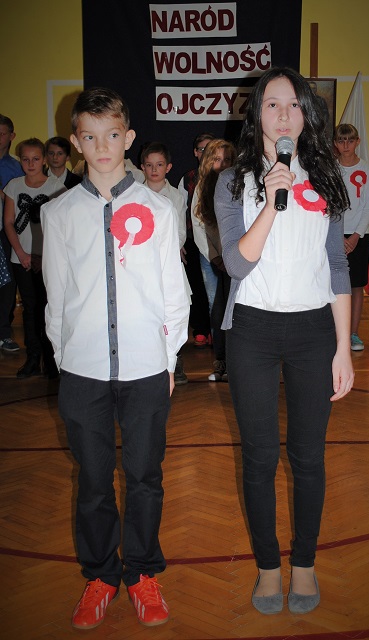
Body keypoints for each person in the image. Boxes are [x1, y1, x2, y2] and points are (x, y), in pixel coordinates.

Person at [41, 87, 189, 630]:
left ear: (127, 138)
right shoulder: (58, 214)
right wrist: (66, 361)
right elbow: (57, 297)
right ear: (76, 142)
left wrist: (169, 359)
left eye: (111, 135)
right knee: (95, 480)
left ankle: (143, 571)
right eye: (90, 136)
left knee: (145, 475)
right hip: (82, 372)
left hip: (147, 367)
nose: (102, 147)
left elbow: (175, 292)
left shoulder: (159, 209)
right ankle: (101, 575)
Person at [214, 66, 355, 615]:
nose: (283, 114)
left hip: (313, 332)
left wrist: (342, 349)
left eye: (294, 104)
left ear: (305, 115)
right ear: (257, 115)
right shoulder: (232, 181)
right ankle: (269, 568)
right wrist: (273, 198)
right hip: (252, 330)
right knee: (258, 458)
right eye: (272, 104)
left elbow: (337, 268)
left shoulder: (325, 180)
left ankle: (305, 565)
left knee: (308, 457)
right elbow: (237, 264)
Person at [3, 137, 65, 378]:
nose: (30, 164)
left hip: (48, 260)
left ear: (44, 160)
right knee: (29, 309)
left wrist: (44, 256)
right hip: (22, 259)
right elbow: (9, 222)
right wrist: (21, 253)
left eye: (36, 159)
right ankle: (32, 358)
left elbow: (61, 228)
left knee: (49, 308)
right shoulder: (14, 185)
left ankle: (51, 360)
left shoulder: (56, 187)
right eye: (25, 159)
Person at [140, 140, 189, 384]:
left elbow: (180, 232)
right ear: (142, 167)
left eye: (159, 165)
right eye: (149, 165)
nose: (154, 170)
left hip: (168, 260)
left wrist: (165, 248)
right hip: (142, 262)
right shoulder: (134, 194)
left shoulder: (175, 196)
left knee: (174, 308)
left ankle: (175, 360)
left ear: (168, 167)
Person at [191, 138, 236, 381]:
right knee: (216, 309)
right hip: (212, 258)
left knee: (234, 309)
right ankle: (220, 361)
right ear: (208, 161)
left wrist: (231, 256)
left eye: (227, 160)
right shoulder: (201, 187)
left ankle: (235, 363)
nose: (222, 165)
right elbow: (199, 227)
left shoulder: (238, 185)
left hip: (235, 258)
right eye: (217, 159)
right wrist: (216, 257)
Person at [334, 123, 369, 351]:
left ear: (357, 142)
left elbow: (368, 207)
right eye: (341, 141)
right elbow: (328, 203)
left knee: (356, 286)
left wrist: (355, 236)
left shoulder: (367, 169)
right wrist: (337, 234)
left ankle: (353, 334)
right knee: (334, 285)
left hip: (359, 236)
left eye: (350, 140)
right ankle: (335, 334)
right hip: (335, 234)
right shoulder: (331, 169)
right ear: (335, 144)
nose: (346, 145)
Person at [178, 133, 215, 348]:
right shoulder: (188, 178)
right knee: (197, 286)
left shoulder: (224, 175)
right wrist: (180, 241)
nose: (206, 152)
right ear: (195, 152)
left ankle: (217, 333)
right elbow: (180, 210)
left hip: (218, 241)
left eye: (210, 148)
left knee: (216, 290)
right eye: (202, 149)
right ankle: (201, 329)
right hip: (193, 240)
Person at [0, 114, 24, 353]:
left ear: (11, 136)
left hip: (6, 231)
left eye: (2, 133)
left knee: (8, 283)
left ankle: (4, 333)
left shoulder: (16, 167)